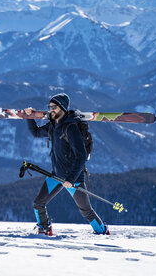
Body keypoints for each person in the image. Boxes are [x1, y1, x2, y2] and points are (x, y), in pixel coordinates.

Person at [25, 93, 109, 236]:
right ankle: (44, 229)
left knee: (86, 211)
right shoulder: (53, 125)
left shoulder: (70, 128)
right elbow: (36, 133)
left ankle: (103, 232)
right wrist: (29, 117)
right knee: (38, 203)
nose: (51, 109)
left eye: (54, 107)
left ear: (62, 107)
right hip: (56, 175)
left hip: (73, 178)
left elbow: (81, 155)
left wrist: (70, 179)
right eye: (49, 106)